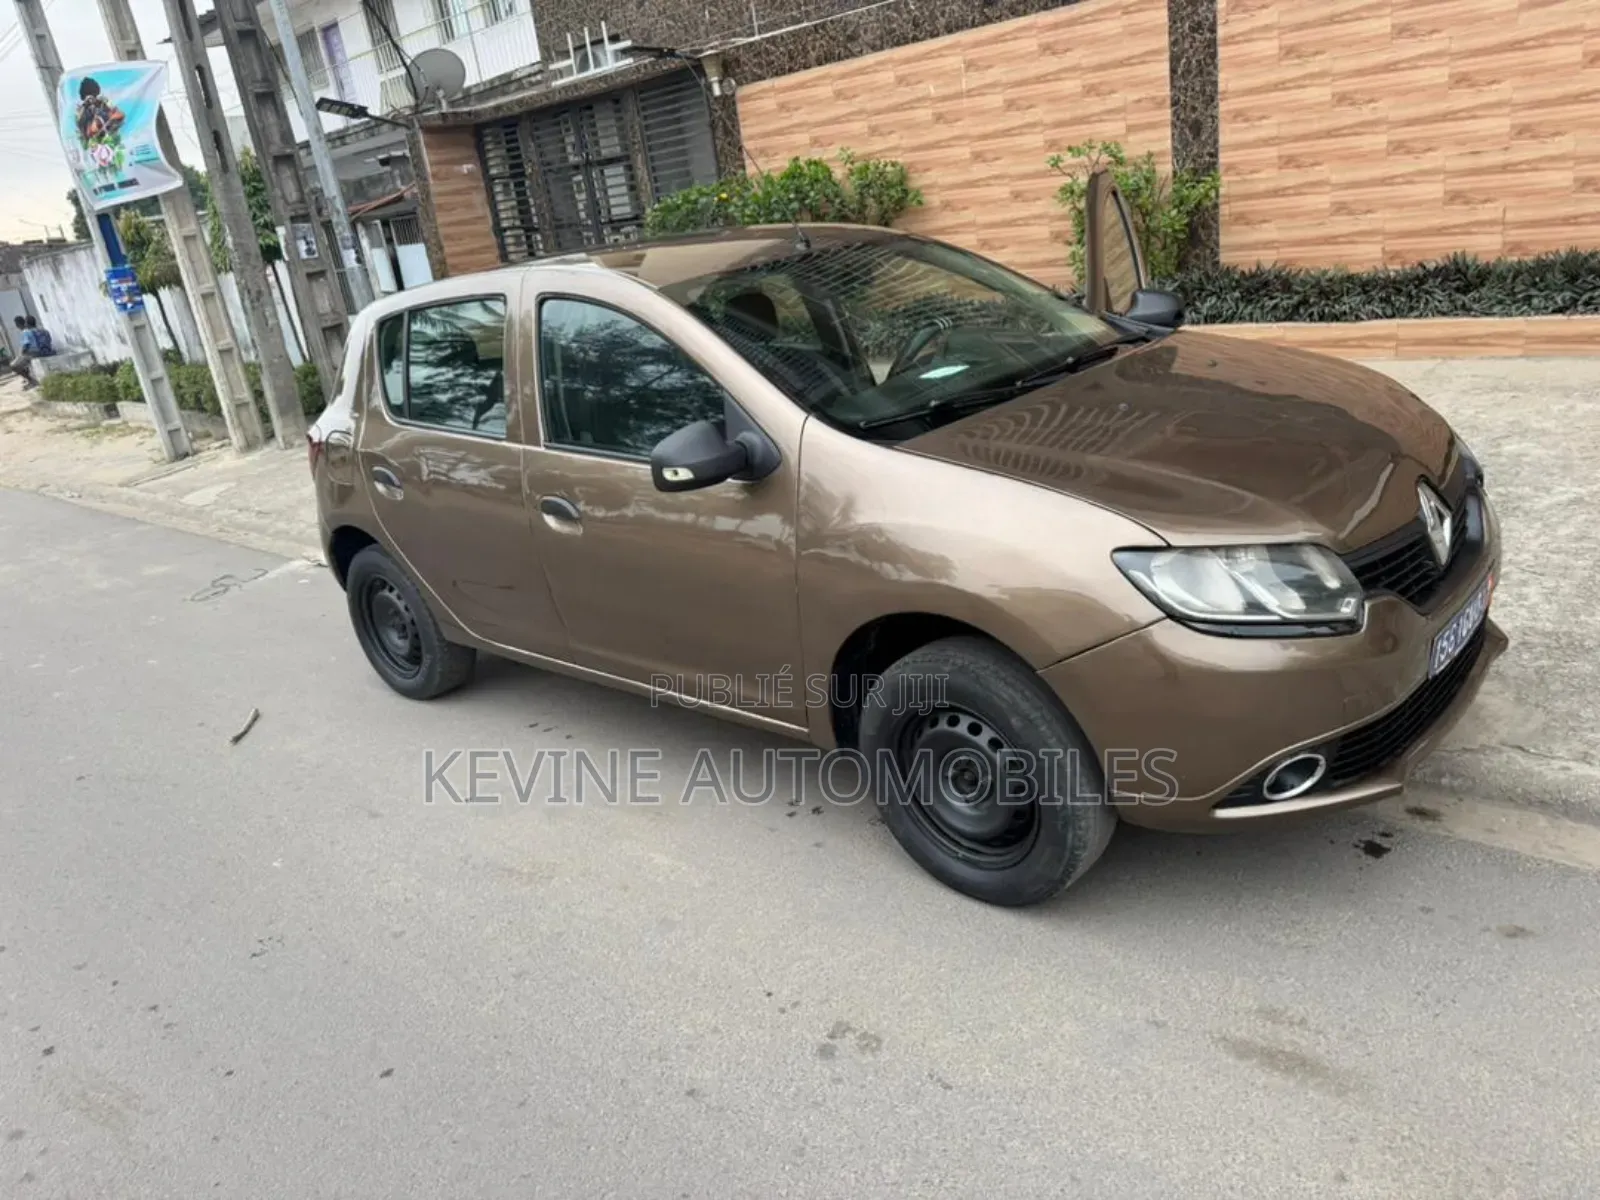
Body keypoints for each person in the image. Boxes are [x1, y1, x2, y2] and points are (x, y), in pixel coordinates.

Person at [9, 315, 36, 389]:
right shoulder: (29, 330)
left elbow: (26, 346)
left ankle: (31, 381)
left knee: (13, 366)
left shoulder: (25, 332)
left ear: (18, 324)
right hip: (33, 352)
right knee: (19, 362)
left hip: (30, 353)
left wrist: (21, 354)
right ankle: (28, 378)